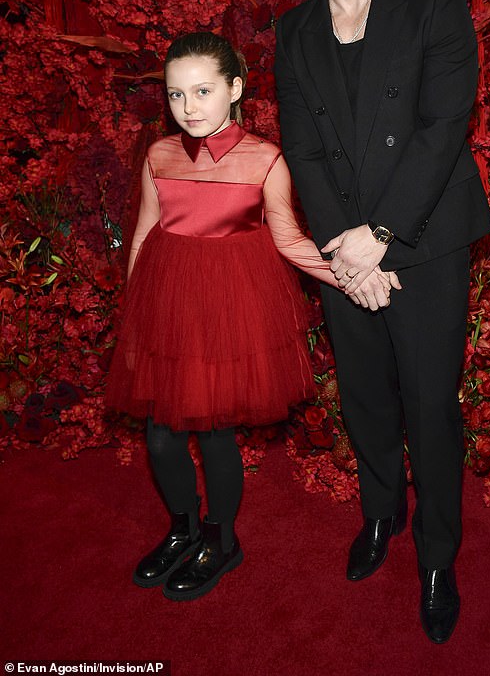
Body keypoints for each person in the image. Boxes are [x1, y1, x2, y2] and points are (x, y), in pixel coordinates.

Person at [270, 0, 490, 644]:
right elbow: (306, 149)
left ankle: (438, 554)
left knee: (430, 406)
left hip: (423, 242)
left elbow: (442, 127)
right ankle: (379, 515)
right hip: (344, 256)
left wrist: (383, 240)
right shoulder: (292, 34)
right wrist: (344, 247)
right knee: (364, 398)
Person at [105, 32, 389, 602]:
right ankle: (182, 527)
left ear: (234, 89)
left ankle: (220, 539)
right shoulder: (159, 155)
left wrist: (353, 274)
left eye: (203, 91)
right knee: (160, 440)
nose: (188, 107)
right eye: (176, 94)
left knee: (213, 435)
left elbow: (288, 240)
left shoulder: (265, 159)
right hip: (167, 310)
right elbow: (143, 234)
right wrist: (135, 320)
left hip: (228, 315)